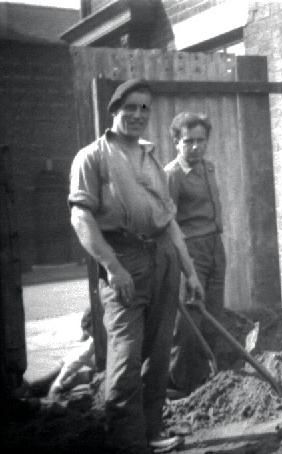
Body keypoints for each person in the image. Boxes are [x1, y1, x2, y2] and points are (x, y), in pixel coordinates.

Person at [68, 78, 205, 453]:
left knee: (158, 354)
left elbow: (169, 220)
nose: (138, 115)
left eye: (145, 108)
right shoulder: (91, 157)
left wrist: (189, 271)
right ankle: (127, 443)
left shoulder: (150, 158)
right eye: (130, 107)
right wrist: (112, 267)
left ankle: (152, 430)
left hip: (163, 258)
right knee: (126, 357)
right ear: (114, 111)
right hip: (124, 262)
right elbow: (81, 218)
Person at [165, 112, 226, 396]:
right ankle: (179, 383)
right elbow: (168, 222)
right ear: (176, 142)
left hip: (215, 247)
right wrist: (185, 265)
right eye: (188, 141)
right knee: (189, 320)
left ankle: (205, 380)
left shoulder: (209, 168)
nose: (195, 147)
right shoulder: (172, 175)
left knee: (213, 315)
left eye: (201, 141)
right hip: (191, 251)